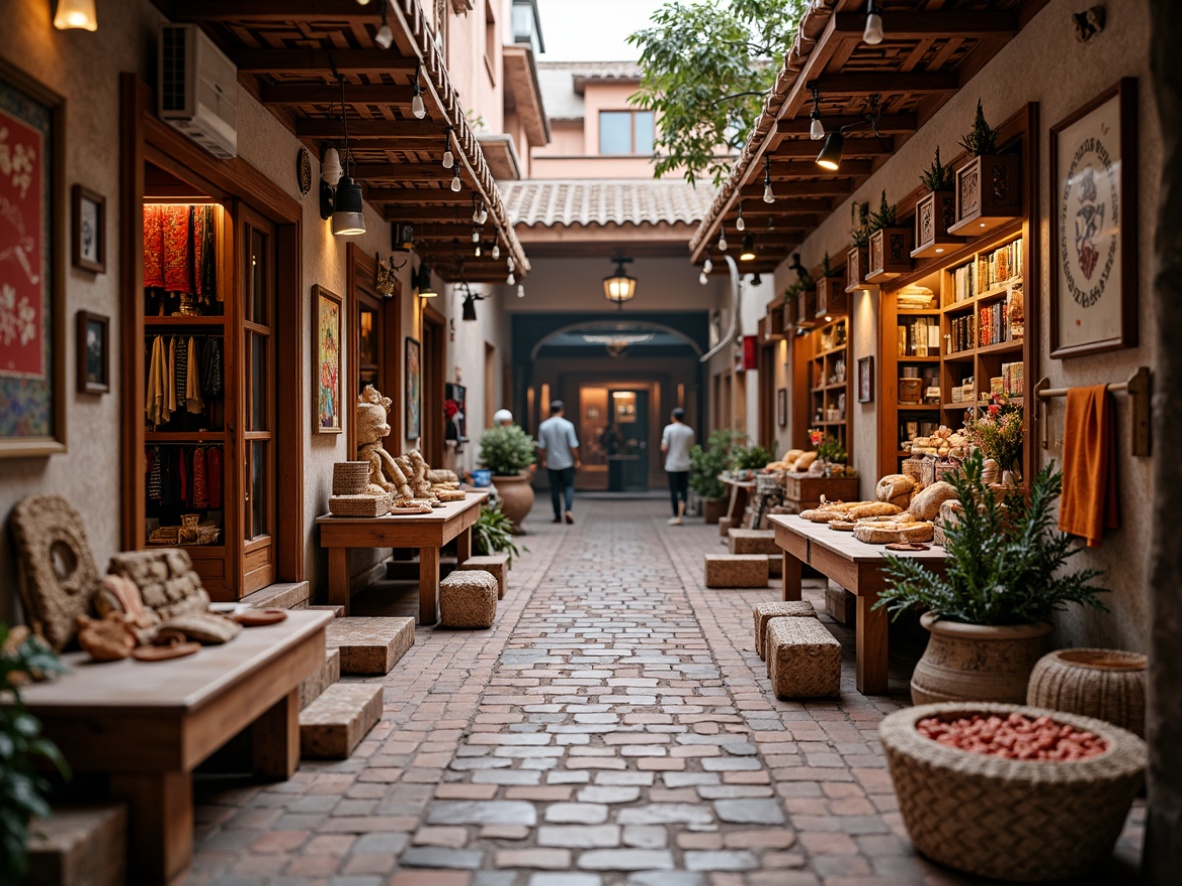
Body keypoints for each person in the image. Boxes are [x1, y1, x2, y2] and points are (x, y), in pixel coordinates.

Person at [537, 399, 580, 524]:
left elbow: (542, 448)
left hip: (552, 462)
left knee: (554, 489)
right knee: (568, 486)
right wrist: (576, 460)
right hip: (566, 462)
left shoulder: (544, 426)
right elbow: (573, 446)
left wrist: (543, 461)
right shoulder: (568, 425)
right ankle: (568, 510)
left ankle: (557, 515)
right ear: (562, 410)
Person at [661, 407, 695, 525]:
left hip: (672, 464)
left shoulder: (668, 429)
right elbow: (692, 447)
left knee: (674, 490)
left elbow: (664, 447)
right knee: (684, 489)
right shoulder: (689, 431)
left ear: (673, 417)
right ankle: (682, 512)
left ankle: (676, 514)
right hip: (685, 463)